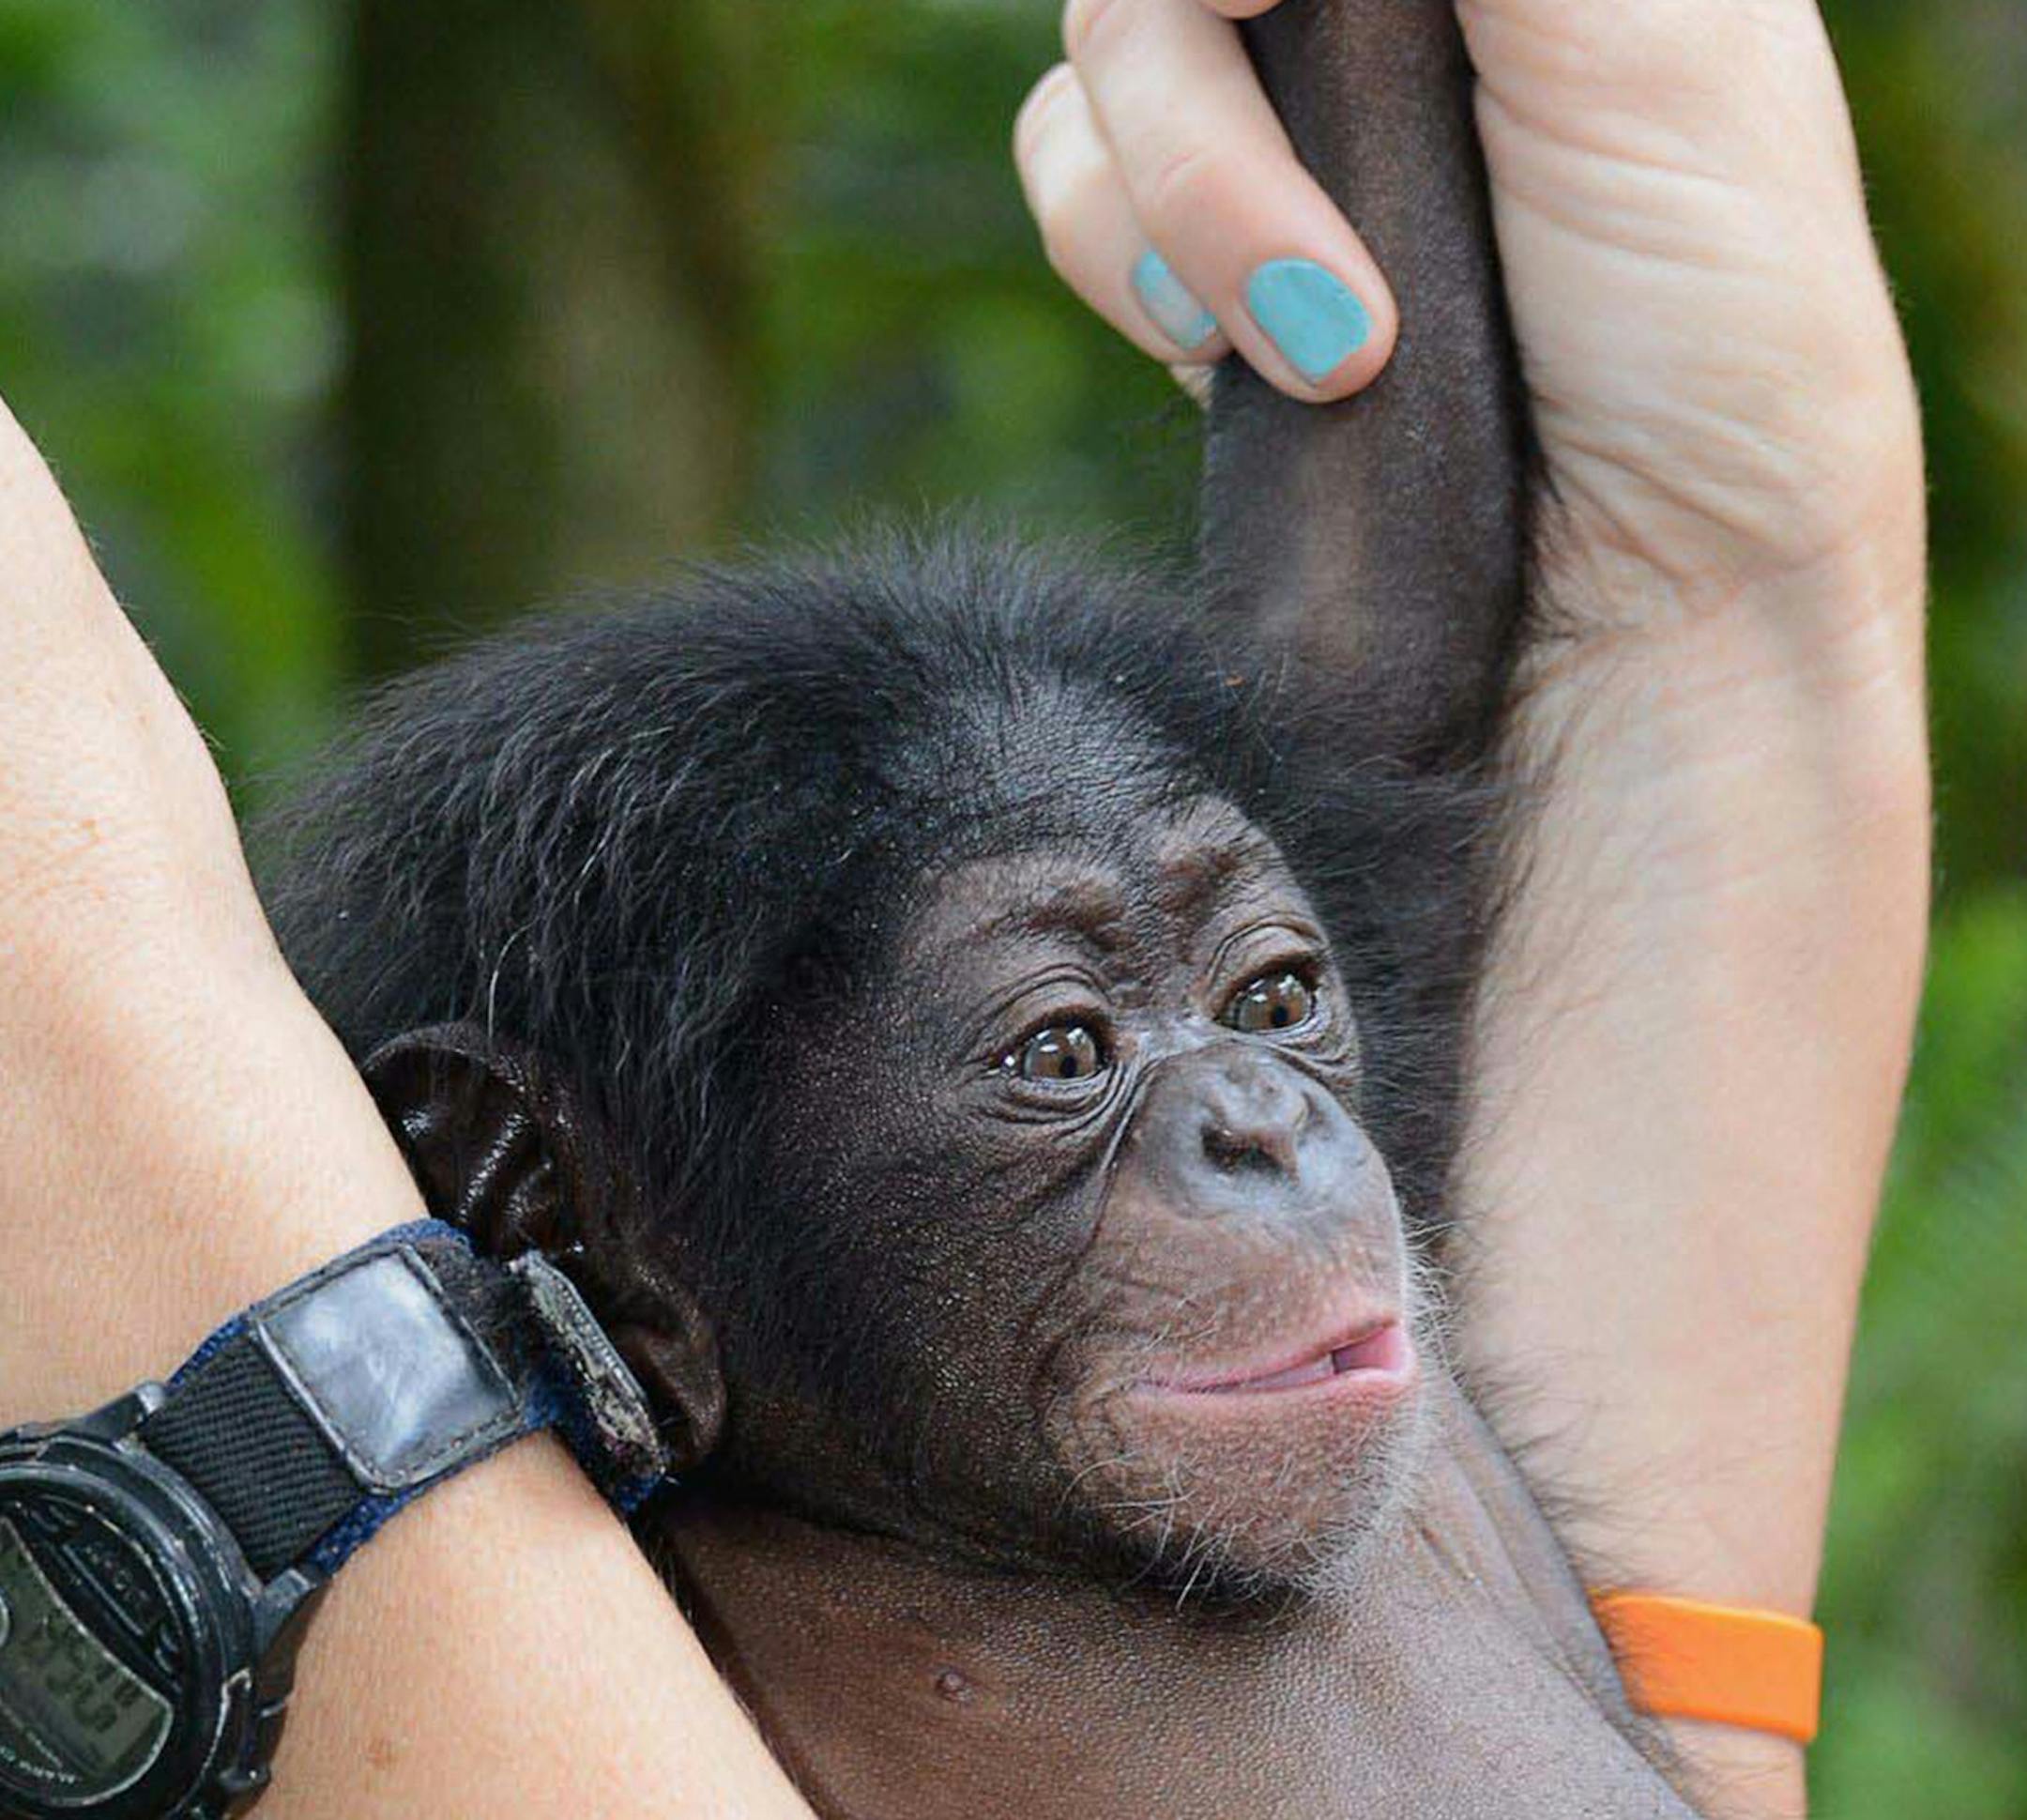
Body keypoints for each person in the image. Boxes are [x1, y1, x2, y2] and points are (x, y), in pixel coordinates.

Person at [0, 1, 1924, 1816]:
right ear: (566, 1211)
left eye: (1272, 996)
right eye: (1063, 1050)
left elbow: (1388, 676)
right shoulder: (616, 1632)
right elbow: (71, 939)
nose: (1275, 1130)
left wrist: (1760, 548)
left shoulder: (1293, 1418)